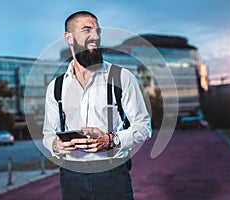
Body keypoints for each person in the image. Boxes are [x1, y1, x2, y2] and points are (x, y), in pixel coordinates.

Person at [43, 11, 152, 200]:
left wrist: (110, 140)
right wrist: (56, 144)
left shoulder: (121, 77)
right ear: (69, 38)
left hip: (112, 175)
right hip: (71, 177)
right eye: (87, 30)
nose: (95, 36)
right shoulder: (56, 87)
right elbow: (48, 134)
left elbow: (144, 127)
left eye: (97, 31)